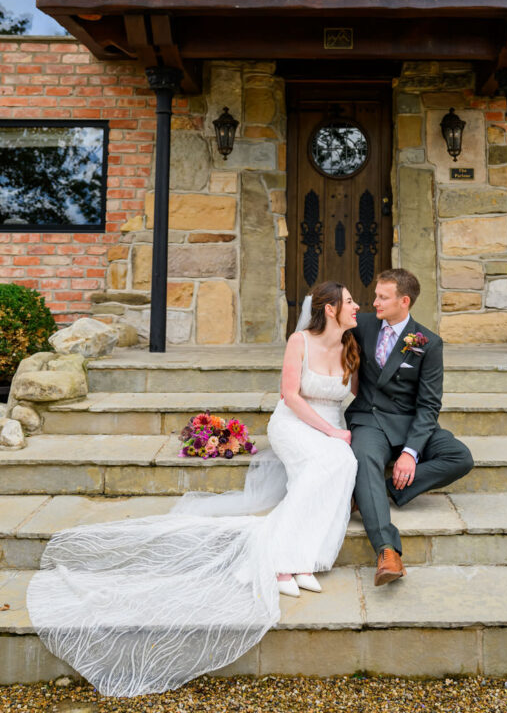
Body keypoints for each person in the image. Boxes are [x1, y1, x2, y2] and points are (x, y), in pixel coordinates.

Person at [27, 282, 360, 697]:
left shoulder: (351, 344)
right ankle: (279, 562)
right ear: (329, 309)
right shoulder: (300, 341)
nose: (357, 306)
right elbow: (289, 396)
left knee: (344, 462)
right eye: (349, 302)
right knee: (324, 463)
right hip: (297, 424)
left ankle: (303, 558)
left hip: (332, 428)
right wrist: (329, 430)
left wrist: (340, 432)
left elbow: (353, 397)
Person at [346, 268, 474, 585]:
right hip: (371, 419)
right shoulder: (361, 325)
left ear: (404, 301)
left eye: (382, 297)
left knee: (460, 456)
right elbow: (321, 328)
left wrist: (411, 452)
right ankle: (387, 551)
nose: (374, 302)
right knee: (365, 460)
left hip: (409, 423)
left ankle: (376, 492)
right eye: (376, 295)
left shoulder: (428, 342)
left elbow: (429, 404)